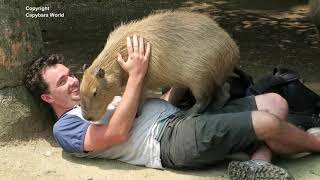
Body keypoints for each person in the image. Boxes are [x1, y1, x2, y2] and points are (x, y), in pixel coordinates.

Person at [25, 35, 320, 180]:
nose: (74, 82)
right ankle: (315, 143)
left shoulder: (99, 93)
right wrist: (137, 76)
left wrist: (183, 69)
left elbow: (157, 106)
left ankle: (258, 162)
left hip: (179, 118)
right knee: (267, 123)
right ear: (48, 98)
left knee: (276, 102)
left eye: (71, 74)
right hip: (170, 142)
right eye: (62, 82)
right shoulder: (66, 127)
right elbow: (117, 133)